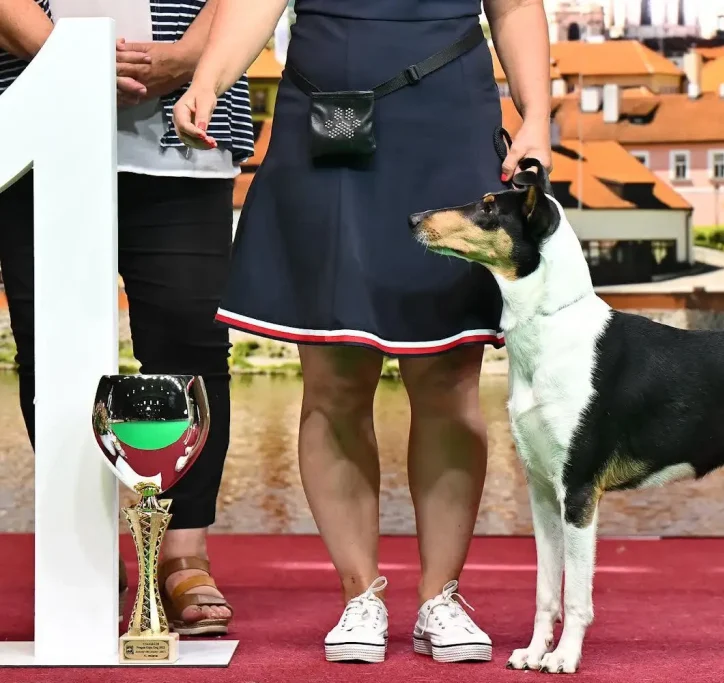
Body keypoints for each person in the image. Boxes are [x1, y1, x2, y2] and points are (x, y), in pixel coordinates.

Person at [173, 0, 551, 664]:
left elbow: (515, 5)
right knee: (333, 374)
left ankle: (441, 596)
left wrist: (537, 118)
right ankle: (360, 593)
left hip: (449, 113)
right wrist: (209, 78)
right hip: (326, 114)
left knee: (450, 374)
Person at [0, 0, 253, 635]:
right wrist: (69, 63)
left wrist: (196, 58)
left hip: (187, 125)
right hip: (37, 120)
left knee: (191, 343)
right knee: (51, 351)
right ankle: (85, 549)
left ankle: (182, 552)